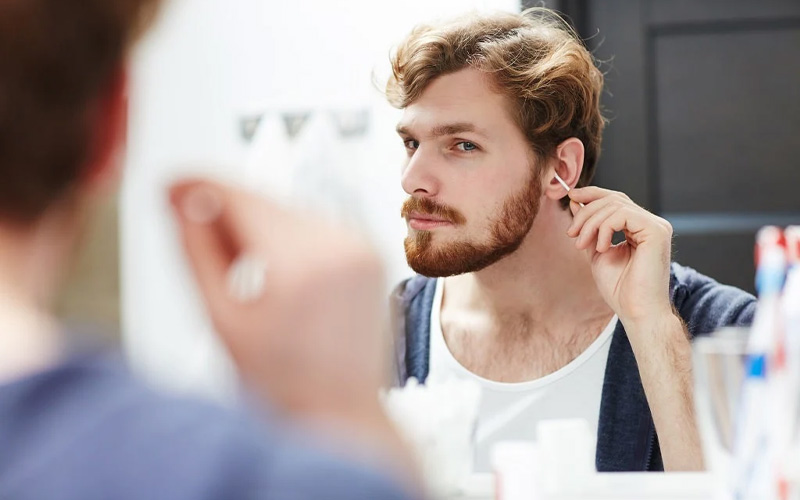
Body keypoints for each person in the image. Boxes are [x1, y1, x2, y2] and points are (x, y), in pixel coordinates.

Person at [0, 0, 420, 498]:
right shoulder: (231, 478)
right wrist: (343, 416)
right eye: (411, 145)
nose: (416, 179)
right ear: (113, 123)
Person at [386, 8, 755, 473]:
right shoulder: (382, 340)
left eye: (462, 145)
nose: (412, 179)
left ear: (560, 169)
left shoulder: (734, 337)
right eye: (411, 144)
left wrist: (653, 328)